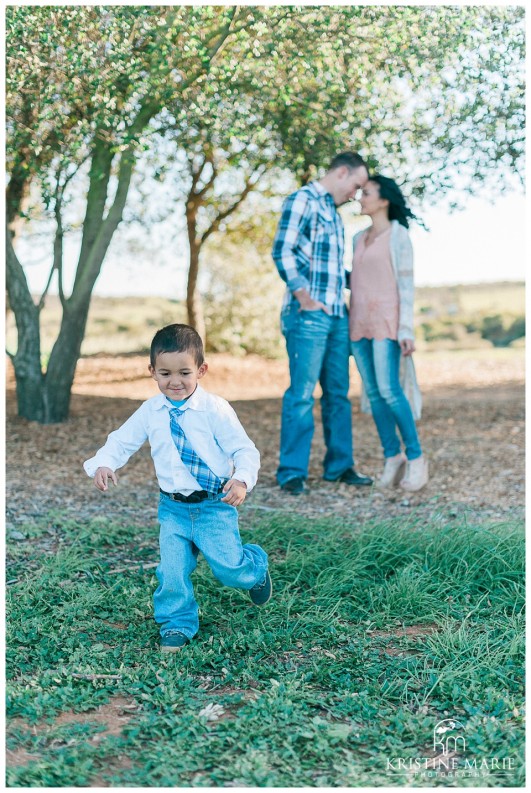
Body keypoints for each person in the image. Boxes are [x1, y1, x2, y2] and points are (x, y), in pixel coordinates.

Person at [83, 324, 271, 653]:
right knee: (171, 570)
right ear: (152, 371)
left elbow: (244, 449)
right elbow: (122, 440)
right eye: (165, 373)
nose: (175, 381)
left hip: (214, 506)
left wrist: (242, 479)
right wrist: (104, 463)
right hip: (173, 509)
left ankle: (254, 569)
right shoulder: (150, 411)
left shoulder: (215, 409)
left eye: (184, 373)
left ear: (201, 370)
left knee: (230, 570)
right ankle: (177, 623)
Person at [272, 151, 373, 495]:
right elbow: (282, 251)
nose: (356, 195)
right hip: (308, 315)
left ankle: (340, 466)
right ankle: (292, 472)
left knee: (338, 395)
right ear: (342, 172)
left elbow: (330, 270)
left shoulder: (332, 212)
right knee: (301, 395)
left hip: (336, 316)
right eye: (356, 185)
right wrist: (303, 297)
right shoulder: (302, 200)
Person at [349, 175, 429, 492]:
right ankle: (392, 456)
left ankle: (416, 457)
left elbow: (406, 286)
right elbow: (358, 280)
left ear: (383, 200)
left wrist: (406, 328)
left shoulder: (399, 235)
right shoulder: (357, 238)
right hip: (359, 323)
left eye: (366, 193)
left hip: (387, 322)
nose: (360, 197)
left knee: (390, 390)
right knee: (373, 393)